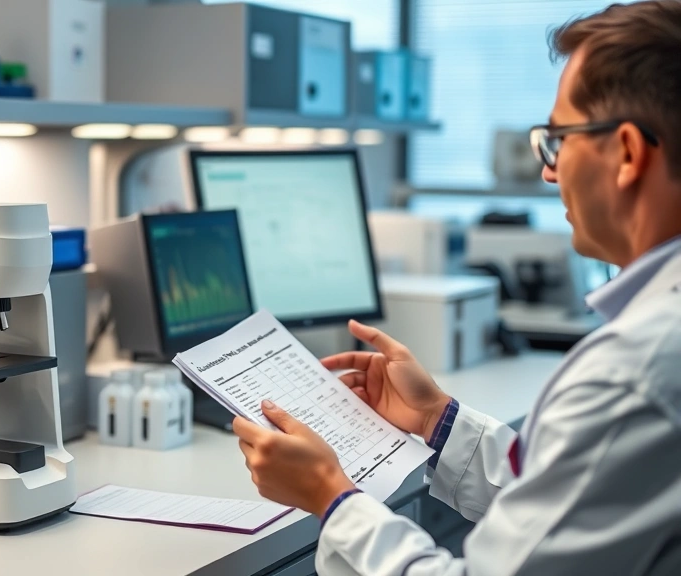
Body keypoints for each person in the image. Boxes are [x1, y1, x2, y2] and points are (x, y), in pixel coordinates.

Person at [233, 2, 681, 574]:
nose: (549, 170)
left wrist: (330, 495)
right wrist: (435, 420)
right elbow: (572, 501)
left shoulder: (635, 370)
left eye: (559, 140)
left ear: (628, 153)